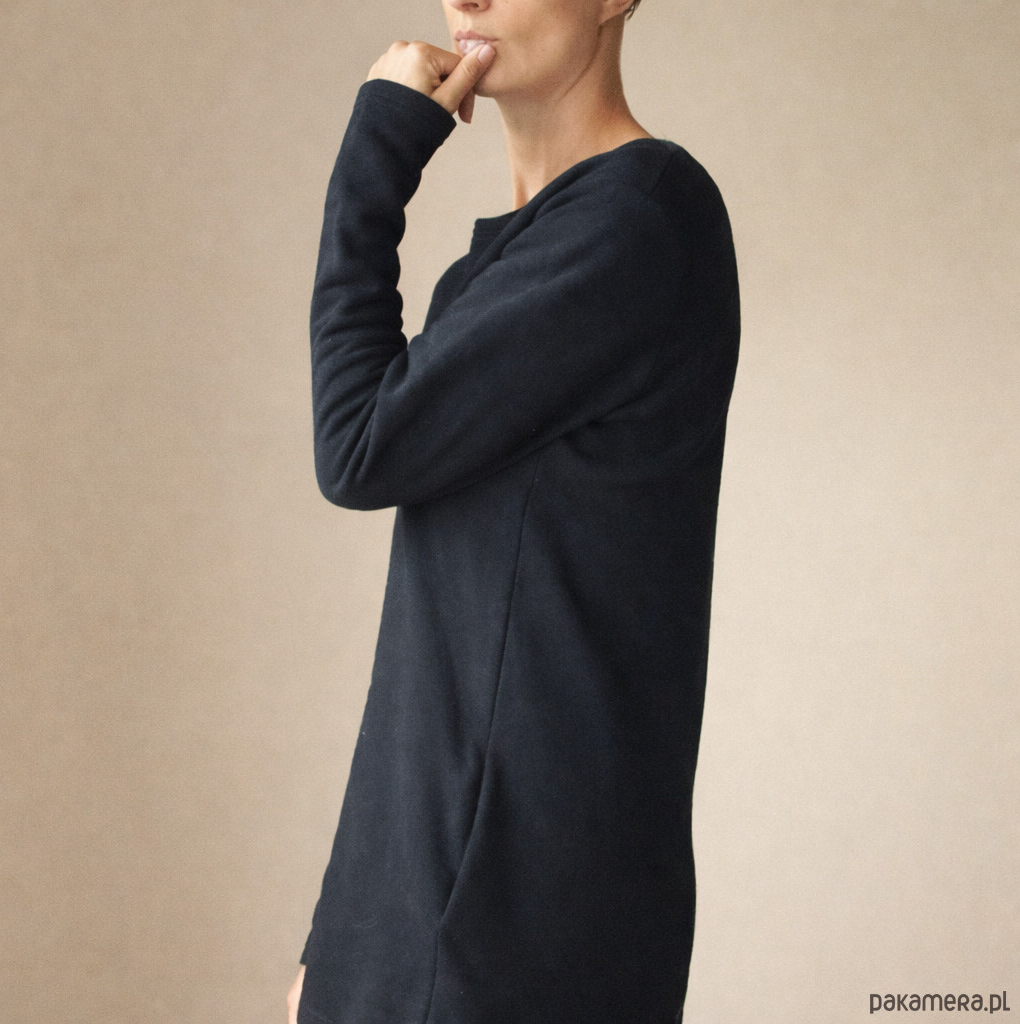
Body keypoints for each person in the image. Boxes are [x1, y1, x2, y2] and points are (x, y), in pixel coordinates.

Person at [289, 0, 739, 1019]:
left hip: (504, 925)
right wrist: (341, 935)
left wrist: (376, 154)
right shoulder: (534, 256)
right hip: (448, 906)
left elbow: (356, 450)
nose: (468, 0)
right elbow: (439, 657)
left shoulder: (632, 222)